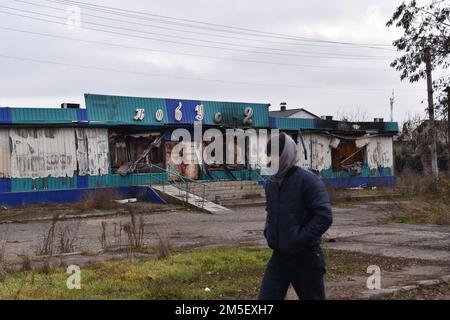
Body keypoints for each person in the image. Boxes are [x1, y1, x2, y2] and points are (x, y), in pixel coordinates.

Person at [258, 132, 333, 300]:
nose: (270, 160)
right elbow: (270, 213)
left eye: (274, 155)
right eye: (268, 154)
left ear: (285, 155)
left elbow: (324, 216)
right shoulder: (271, 183)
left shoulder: (308, 181)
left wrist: (298, 238)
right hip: (279, 258)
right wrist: (269, 232)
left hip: (306, 259)